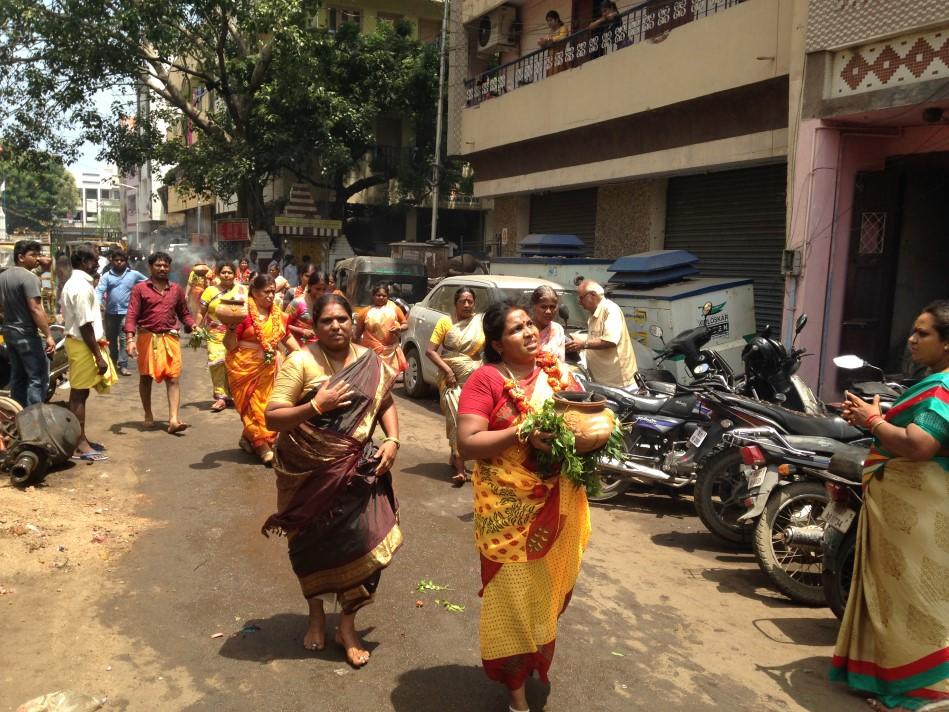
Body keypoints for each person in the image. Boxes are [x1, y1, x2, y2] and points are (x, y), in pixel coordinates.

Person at [456, 300, 590, 712]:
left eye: (530, 325)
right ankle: (516, 694)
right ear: (497, 344)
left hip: (557, 502)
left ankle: (533, 655)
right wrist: (522, 433)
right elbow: (468, 444)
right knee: (510, 597)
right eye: (516, 330)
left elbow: (581, 419)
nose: (530, 332)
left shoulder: (557, 372)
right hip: (507, 510)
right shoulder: (486, 380)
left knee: (542, 591)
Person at [263, 294, 402, 666]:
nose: (336, 326)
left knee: (364, 540)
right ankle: (316, 616)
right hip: (307, 473)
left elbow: (386, 403)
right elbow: (272, 417)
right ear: (314, 326)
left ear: (352, 322)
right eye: (327, 321)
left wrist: (392, 439)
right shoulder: (301, 361)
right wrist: (315, 406)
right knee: (312, 546)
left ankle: (348, 625)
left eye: (342, 319)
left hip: (357, 470)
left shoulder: (371, 361)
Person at [831, 300, 949, 711]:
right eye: (913, 331)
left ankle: (924, 692)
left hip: (922, 516)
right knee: (894, 595)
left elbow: (921, 445)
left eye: (924, 333)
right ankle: (889, 675)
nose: (912, 340)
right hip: (911, 513)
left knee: (917, 599)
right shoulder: (933, 381)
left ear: (947, 344)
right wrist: (876, 418)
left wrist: (873, 422)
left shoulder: (943, 387)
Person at [223, 273, 300, 465]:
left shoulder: (278, 316)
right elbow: (230, 345)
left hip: (271, 368)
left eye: (273, 292)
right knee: (251, 407)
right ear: (254, 292)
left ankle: (249, 438)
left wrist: (301, 356)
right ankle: (262, 446)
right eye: (266, 292)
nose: (270, 296)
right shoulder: (242, 314)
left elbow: (287, 338)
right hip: (243, 367)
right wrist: (231, 328)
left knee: (270, 406)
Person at [124, 251, 195, 434]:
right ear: (151, 267)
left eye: (165, 265)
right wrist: (130, 339)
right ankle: (148, 413)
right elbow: (131, 315)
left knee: (173, 378)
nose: (162, 268)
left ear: (169, 268)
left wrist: (192, 325)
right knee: (145, 378)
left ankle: (173, 419)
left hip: (170, 339)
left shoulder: (176, 289)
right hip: (146, 338)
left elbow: (184, 313)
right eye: (158, 265)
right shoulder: (140, 289)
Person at [61, 246, 117, 462]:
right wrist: (98, 356)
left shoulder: (79, 283)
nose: (98, 265)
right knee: (79, 394)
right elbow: (85, 325)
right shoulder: (80, 286)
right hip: (82, 344)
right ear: (84, 262)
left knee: (81, 394)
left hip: (81, 343)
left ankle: (80, 439)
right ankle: (79, 444)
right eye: (95, 261)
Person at [426, 286, 483, 485]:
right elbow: (430, 351)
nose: (467, 305)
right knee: (456, 417)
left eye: (470, 301)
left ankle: (456, 455)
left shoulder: (479, 323)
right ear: (455, 304)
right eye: (462, 301)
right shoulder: (445, 322)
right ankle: (460, 469)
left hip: (474, 378)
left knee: (475, 420)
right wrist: (448, 371)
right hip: (450, 378)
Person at [0, 240, 57, 406]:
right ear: (21, 257)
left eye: (38, 255)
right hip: (26, 334)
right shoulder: (29, 278)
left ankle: (18, 413)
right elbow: (36, 309)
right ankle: (34, 416)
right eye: (33, 255)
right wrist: (48, 335)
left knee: (18, 375)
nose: (37, 258)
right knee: (37, 377)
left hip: (10, 331)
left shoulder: (3, 277)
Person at [194, 262, 248, 412]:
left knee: (233, 363)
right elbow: (201, 311)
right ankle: (220, 396)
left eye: (229, 272)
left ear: (235, 274)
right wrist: (196, 326)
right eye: (223, 272)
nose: (226, 275)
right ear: (218, 274)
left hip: (236, 332)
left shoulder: (243, 290)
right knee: (216, 361)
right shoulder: (210, 291)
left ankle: (232, 394)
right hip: (214, 333)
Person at [566, 280, 637, 388]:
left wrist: (583, 344)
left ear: (593, 295)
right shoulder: (593, 313)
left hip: (618, 383)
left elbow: (609, 341)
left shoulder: (610, 310)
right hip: (601, 381)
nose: (579, 302)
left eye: (581, 298)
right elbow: (595, 336)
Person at [96, 250, 146, 377]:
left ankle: (123, 365)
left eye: (121, 260)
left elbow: (147, 283)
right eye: (116, 260)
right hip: (110, 313)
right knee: (111, 340)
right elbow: (99, 291)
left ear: (126, 261)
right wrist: (97, 304)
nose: (119, 262)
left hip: (127, 313)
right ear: (112, 261)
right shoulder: (107, 276)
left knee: (124, 339)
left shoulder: (134, 275)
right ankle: (113, 362)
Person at [355, 285, 407, 375]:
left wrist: (399, 328)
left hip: (390, 352)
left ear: (388, 297)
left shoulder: (395, 309)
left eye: (384, 295)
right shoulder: (365, 312)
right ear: (373, 296)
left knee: (388, 378)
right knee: (373, 379)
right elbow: (357, 334)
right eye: (378, 295)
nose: (381, 297)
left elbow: (405, 324)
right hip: (371, 352)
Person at [285, 270, 326, 345]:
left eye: (324, 289)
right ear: (310, 286)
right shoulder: (297, 303)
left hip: (320, 348)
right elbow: (283, 324)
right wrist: (302, 331)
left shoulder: (326, 304)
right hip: (299, 348)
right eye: (318, 289)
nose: (321, 293)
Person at [531, 285, 566, 361]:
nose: (548, 311)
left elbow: (561, 361)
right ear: (534, 306)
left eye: (552, 307)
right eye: (543, 307)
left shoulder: (558, 329)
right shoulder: (526, 331)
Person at [538, 10, 569, 75]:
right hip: (551, 59)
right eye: (547, 21)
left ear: (557, 19)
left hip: (560, 56)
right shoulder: (550, 32)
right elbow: (548, 44)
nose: (549, 23)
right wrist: (542, 43)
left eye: (550, 20)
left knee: (560, 75)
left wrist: (550, 39)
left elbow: (562, 38)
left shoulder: (563, 28)